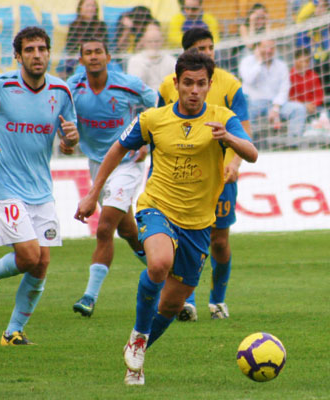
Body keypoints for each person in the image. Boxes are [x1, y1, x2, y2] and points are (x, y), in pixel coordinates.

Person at [75, 50, 257, 385]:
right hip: (157, 207)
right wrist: (92, 193)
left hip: (199, 224)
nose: (194, 90)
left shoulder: (223, 117)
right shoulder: (153, 119)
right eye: (188, 83)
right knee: (158, 264)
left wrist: (228, 138)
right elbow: (117, 149)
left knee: (172, 305)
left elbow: (252, 153)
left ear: (208, 84)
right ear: (176, 83)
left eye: (201, 84)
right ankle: (141, 337)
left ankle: (137, 349)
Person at [0, 26, 79, 345]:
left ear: (49, 53)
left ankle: (13, 332)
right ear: (18, 56)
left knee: (42, 263)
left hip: (42, 190)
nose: (37, 55)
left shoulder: (62, 92)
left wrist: (70, 142)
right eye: (30, 50)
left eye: (42, 49)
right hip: (7, 187)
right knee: (28, 256)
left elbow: (68, 138)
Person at [158, 27, 252, 321]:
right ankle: (187, 302)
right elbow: (161, 128)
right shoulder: (168, 86)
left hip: (220, 174)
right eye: (201, 48)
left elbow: (244, 132)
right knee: (181, 242)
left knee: (219, 241)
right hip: (181, 177)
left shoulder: (231, 85)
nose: (208, 53)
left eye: (211, 47)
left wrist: (234, 164)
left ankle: (218, 301)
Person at [68, 39, 157, 317]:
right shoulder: (72, 88)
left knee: (105, 227)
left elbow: (159, 106)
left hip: (128, 163)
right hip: (97, 164)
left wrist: (147, 140)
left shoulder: (127, 84)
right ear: (81, 59)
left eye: (98, 52)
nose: (93, 57)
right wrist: (65, 139)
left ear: (107, 56)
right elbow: (59, 117)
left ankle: (89, 297)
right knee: (128, 231)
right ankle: (170, 272)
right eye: (88, 53)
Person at [239, 39, 307, 137]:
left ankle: (293, 143)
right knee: (246, 110)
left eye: (271, 48)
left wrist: (276, 108)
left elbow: (284, 89)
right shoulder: (247, 61)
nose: (269, 51)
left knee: (299, 109)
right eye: (265, 47)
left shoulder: (281, 65)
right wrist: (259, 62)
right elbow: (248, 79)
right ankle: (247, 144)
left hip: (274, 103)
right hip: (253, 103)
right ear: (257, 48)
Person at [61, 0, 108, 78]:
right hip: (78, 58)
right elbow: (70, 48)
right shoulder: (74, 26)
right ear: (80, 8)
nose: (90, 8)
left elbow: (104, 45)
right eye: (87, 6)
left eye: (93, 6)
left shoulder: (101, 25)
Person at [127, 21, 177, 91]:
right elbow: (135, 86)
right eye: (150, 41)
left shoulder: (171, 60)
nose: (153, 44)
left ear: (162, 41)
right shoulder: (135, 61)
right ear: (144, 42)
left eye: (156, 41)